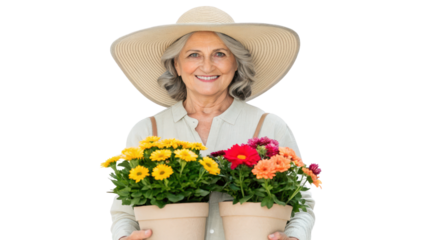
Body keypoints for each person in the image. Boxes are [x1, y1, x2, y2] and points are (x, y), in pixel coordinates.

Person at [108, 5, 316, 240]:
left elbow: (303, 203)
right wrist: (124, 238)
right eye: (193, 54)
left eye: (220, 54)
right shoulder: (147, 130)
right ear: (176, 65)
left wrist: (295, 237)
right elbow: (123, 212)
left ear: (235, 63)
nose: (207, 66)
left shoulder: (270, 126)